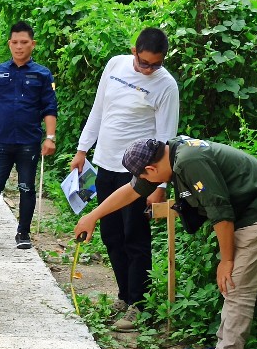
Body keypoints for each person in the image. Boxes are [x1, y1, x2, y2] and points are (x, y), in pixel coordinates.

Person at [74, 137, 257, 349]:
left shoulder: (190, 161)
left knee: (236, 286)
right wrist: (93, 216)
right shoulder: (170, 154)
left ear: (151, 170)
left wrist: (227, 259)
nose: (144, 183)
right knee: (230, 282)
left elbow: (220, 212)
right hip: (245, 212)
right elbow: (133, 191)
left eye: (143, 177)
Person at [68, 27, 178, 332]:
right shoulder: (115, 64)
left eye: (155, 65)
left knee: (135, 237)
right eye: (144, 63)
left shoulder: (166, 85)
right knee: (111, 235)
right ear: (134, 51)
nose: (149, 70)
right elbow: (99, 109)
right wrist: (82, 150)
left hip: (140, 173)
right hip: (105, 163)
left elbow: (166, 138)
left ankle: (139, 305)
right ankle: (123, 295)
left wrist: (162, 186)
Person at [0, 21, 58, 250]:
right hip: (2, 142)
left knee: (27, 187)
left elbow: (49, 108)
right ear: (9, 44)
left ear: (32, 44)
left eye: (24, 43)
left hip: (29, 142)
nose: (19, 47)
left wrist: (50, 137)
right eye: (15, 42)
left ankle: (23, 233)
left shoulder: (42, 75)